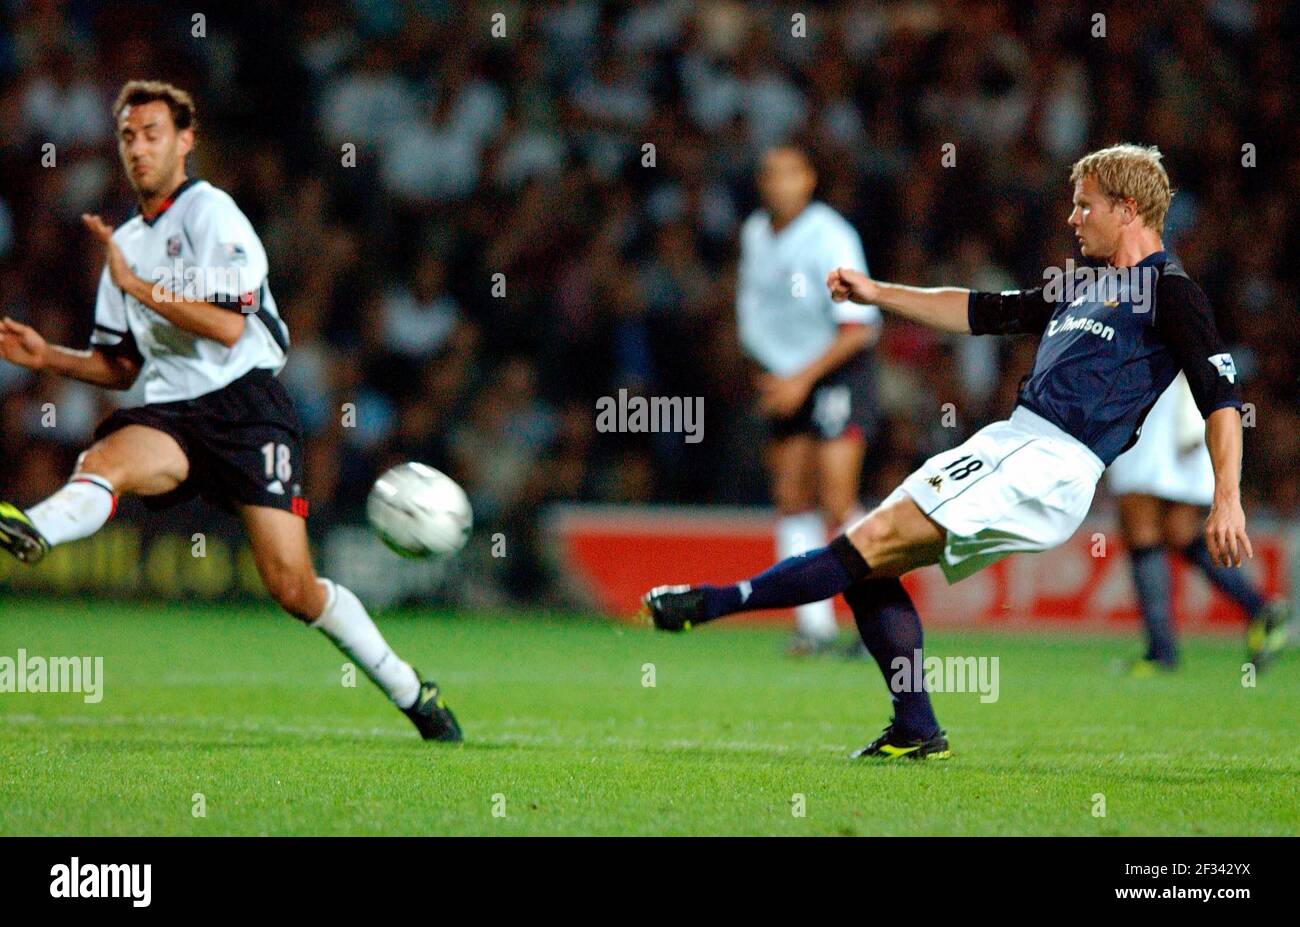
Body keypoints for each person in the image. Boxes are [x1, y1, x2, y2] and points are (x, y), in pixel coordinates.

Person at [643, 144, 1251, 760]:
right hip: (1012, 443)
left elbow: (1221, 400)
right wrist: (878, 293)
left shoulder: (1171, 291)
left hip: (1049, 458)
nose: (1072, 219)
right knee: (873, 563)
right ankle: (915, 728)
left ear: (1126, 209)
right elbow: (979, 310)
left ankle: (713, 603)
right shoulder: (1084, 284)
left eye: (1083, 206)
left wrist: (1226, 498)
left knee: (868, 542)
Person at [0, 81, 461, 743]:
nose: (138, 147)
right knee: (104, 460)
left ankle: (412, 691)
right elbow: (121, 367)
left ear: (185, 141)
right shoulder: (125, 244)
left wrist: (142, 288)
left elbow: (223, 328)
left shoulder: (213, 214)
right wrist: (49, 356)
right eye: (128, 136)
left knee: (292, 586)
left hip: (246, 408)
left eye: (152, 133)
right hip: (170, 411)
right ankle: (34, 528)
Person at [736, 146, 881, 654]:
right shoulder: (756, 232)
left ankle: (881, 617)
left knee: (838, 499)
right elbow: (753, 310)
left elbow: (857, 328)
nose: (778, 184)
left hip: (838, 371)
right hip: (786, 376)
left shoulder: (831, 235)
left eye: (789, 174)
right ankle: (813, 626)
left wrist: (800, 379)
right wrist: (777, 375)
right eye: (769, 174)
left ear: (809, 180)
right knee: (792, 498)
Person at [1107, 373, 1289, 674]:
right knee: (1180, 531)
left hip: (1155, 401)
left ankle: (1161, 651)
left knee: (1141, 527)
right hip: (1192, 407)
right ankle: (1259, 609)